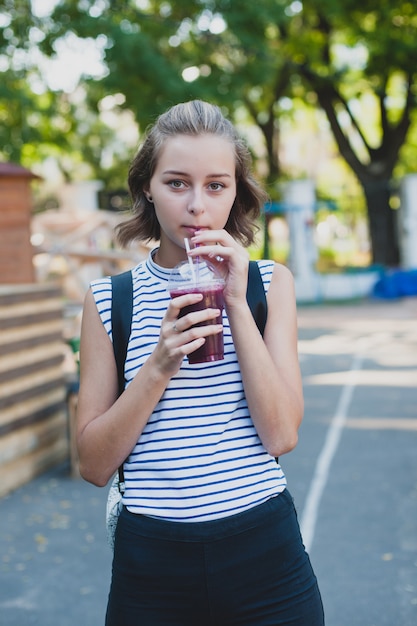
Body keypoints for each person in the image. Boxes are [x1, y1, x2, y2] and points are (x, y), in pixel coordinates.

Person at [77, 99, 324, 625]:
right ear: (147, 186)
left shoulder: (268, 285)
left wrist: (235, 301)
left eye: (216, 185)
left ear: (236, 191)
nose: (197, 206)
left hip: (264, 552)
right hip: (152, 564)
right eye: (176, 183)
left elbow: (281, 435)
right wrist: (158, 365)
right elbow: (93, 465)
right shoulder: (108, 301)